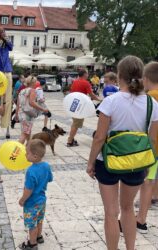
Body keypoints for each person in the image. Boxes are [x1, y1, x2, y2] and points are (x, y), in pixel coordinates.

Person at [87, 56, 158, 250]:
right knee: (128, 209)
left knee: (111, 212)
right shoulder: (152, 104)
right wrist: (149, 163)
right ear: (141, 76)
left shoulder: (111, 101)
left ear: (120, 76)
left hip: (108, 162)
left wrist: (91, 162)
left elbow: (100, 137)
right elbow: (152, 139)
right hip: (136, 163)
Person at [18, 139, 53, 250]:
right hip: (42, 201)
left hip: (31, 203)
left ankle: (32, 244)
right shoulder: (46, 166)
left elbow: (29, 189)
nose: (25, 154)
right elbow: (50, 179)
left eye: (27, 152)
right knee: (39, 220)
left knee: (31, 224)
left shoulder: (31, 171)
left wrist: (23, 199)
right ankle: (39, 237)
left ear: (35, 156)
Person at [136, 62, 158, 233]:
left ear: (145, 78)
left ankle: (141, 219)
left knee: (145, 182)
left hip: (151, 148)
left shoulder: (150, 97)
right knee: (151, 180)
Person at [67, 69, 101, 147]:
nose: (88, 74)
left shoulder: (75, 81)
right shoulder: (86, 83)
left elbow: (72, 92)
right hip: (80, 107)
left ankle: (71, 139)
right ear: (85, 74)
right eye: (87, 73)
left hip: (74, 104)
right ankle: (69, 141)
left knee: (74, 123)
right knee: (76, 124)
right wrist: (99, 99)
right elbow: (91, 95)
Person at [16, 76, 49, 145]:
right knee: (24, 134)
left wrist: (16, 115)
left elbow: (18, 104)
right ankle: (17, 152)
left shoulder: (22, 91)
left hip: (21, 114)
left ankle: (28, 149)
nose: (37, 82)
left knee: (27, 133)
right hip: (28, 115)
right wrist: (43, 109)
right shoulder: (32, 90)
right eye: (36, 81)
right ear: (33, 82)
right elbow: (32, 102)